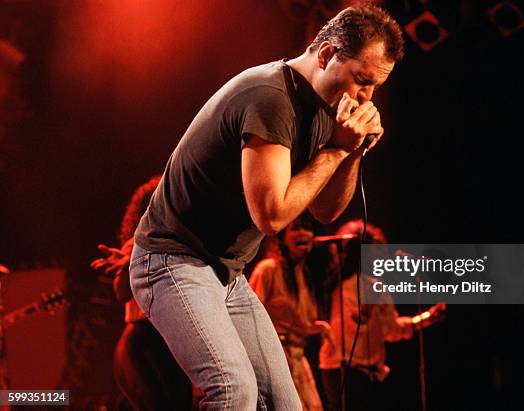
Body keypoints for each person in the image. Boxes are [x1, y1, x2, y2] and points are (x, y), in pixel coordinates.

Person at [129, 5, 404, 409]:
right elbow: (272, 216)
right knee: (232, 389)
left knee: (285, 405)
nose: (366, 97)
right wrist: (335, 151)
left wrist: (354, 151)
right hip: (171, 261)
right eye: (362, 80)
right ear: (326, 55)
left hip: (225, 274)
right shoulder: (270, 97)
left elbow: (325, 212)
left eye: (375, 87)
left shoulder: (325, 109)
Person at [91, 175, 192, 411]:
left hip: (173, 343)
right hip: (144, 343)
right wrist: (128, 264)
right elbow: (122, 294)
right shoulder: (138, 241)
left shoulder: (183, 244)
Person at [318, 220, 414, 411]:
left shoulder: (377, 288)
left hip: (372, 371)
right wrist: (367, 308)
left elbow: (391, 331)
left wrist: (427, 318)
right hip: (343, 369)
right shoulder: (343, 287)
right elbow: (348, 331)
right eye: (376, 252)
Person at [249, 215, 331, 411]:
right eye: (295, 228)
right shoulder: (268, 270)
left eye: (307, 228)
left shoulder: (304, 275)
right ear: (282, 237)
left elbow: (297, 318)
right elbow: (249, 315)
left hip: (297, 358)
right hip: (275, 355)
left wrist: (315, 327)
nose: (303, 233)